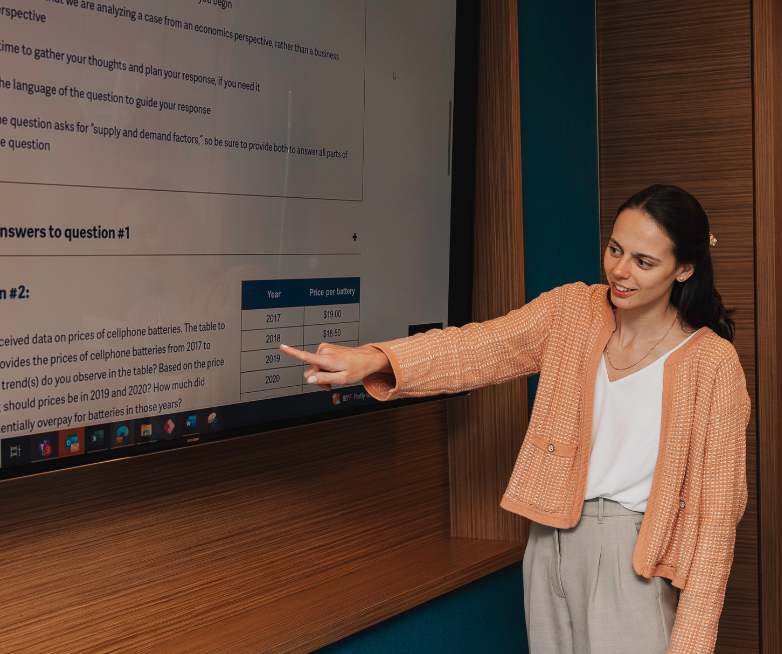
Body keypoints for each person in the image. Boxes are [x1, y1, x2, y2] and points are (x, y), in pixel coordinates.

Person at [280, 184, 749, 654]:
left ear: (684, 269)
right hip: (549, 541)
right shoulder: (573, 311)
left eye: (644, 262)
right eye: (614, 249)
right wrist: (376, 359)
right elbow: (479, 347)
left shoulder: (712, 364)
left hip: (633, 556)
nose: (620, 271)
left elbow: (716, 519)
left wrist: (693, 642)